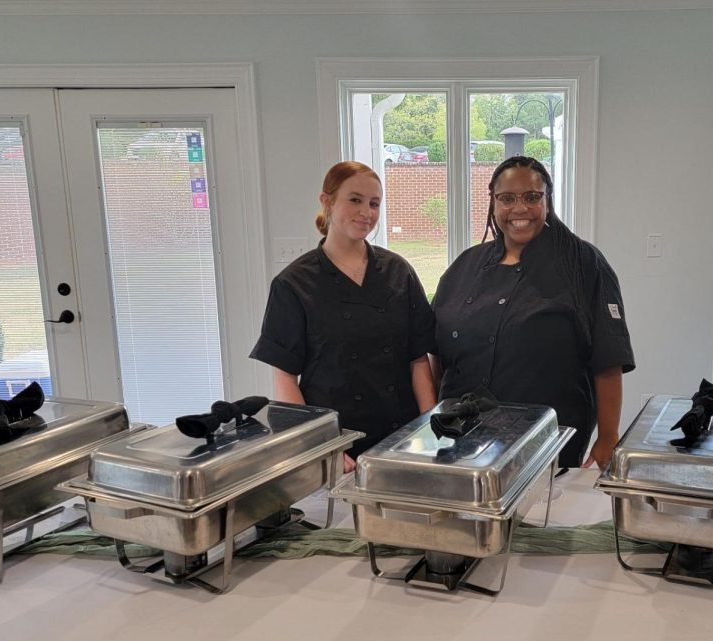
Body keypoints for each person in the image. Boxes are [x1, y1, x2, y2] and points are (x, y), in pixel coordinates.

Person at [431, 156, 634, 470]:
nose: (519, 208)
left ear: (547, 201)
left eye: (531, 197)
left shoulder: (583, 265)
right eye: (507, 198)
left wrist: (608, 437)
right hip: (462, 439)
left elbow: (608, 359)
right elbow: (437, 354)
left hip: (549, 440)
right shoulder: (465, 267)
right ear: (494, 203)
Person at [251, 161, 437, 472]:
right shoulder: (293, 284)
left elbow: (418, 359)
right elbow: (285, 378)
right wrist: (321, 447)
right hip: (337, 442)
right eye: (355, 199)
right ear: (327, 202)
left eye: (374, 203)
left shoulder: (397, 271)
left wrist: (430, 428)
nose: (366, 212)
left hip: (404, 439)